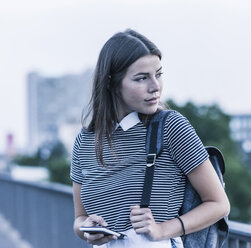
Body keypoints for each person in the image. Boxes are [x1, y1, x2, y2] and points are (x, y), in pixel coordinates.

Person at [70, 29, 230, 248]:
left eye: (158, 74)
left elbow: (219, 204)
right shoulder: (85, 141)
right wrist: (87, 228)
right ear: (111, 84)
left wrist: (163, 229)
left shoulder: (171, 127)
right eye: (142, 78)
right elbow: (79, 219)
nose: (155, 86)